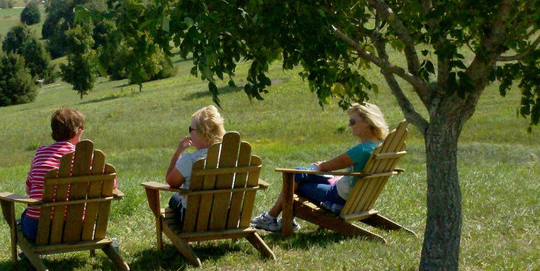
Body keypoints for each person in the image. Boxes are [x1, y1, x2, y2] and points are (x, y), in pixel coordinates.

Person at [251, 103, 390, 232]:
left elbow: (327, 166)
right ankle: (277, 218)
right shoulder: (377, 146)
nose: (349, 125)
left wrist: (321, 166)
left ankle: (272, 218)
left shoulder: (362, 150)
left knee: (294, 179)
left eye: (352, 121)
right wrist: (325, 167)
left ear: (367, 122)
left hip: (339, 197)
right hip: (356, 196)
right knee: (300, 172)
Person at [20, 107, 86, 241]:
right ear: (79, 130)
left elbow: (29, 189)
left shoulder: (41, 153)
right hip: (77, 227)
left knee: (25, 216)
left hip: (38, 229)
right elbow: (108, 184)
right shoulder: (84, 157)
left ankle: (30, 255)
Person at [164, 105, 225, 228]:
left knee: (174, 198)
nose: (189, 133)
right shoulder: (230, 157)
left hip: (194, 221)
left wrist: (178, 151)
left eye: (190, 129)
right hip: (226, 217)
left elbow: (171, 182)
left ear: (201, 133)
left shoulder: (189, 160)